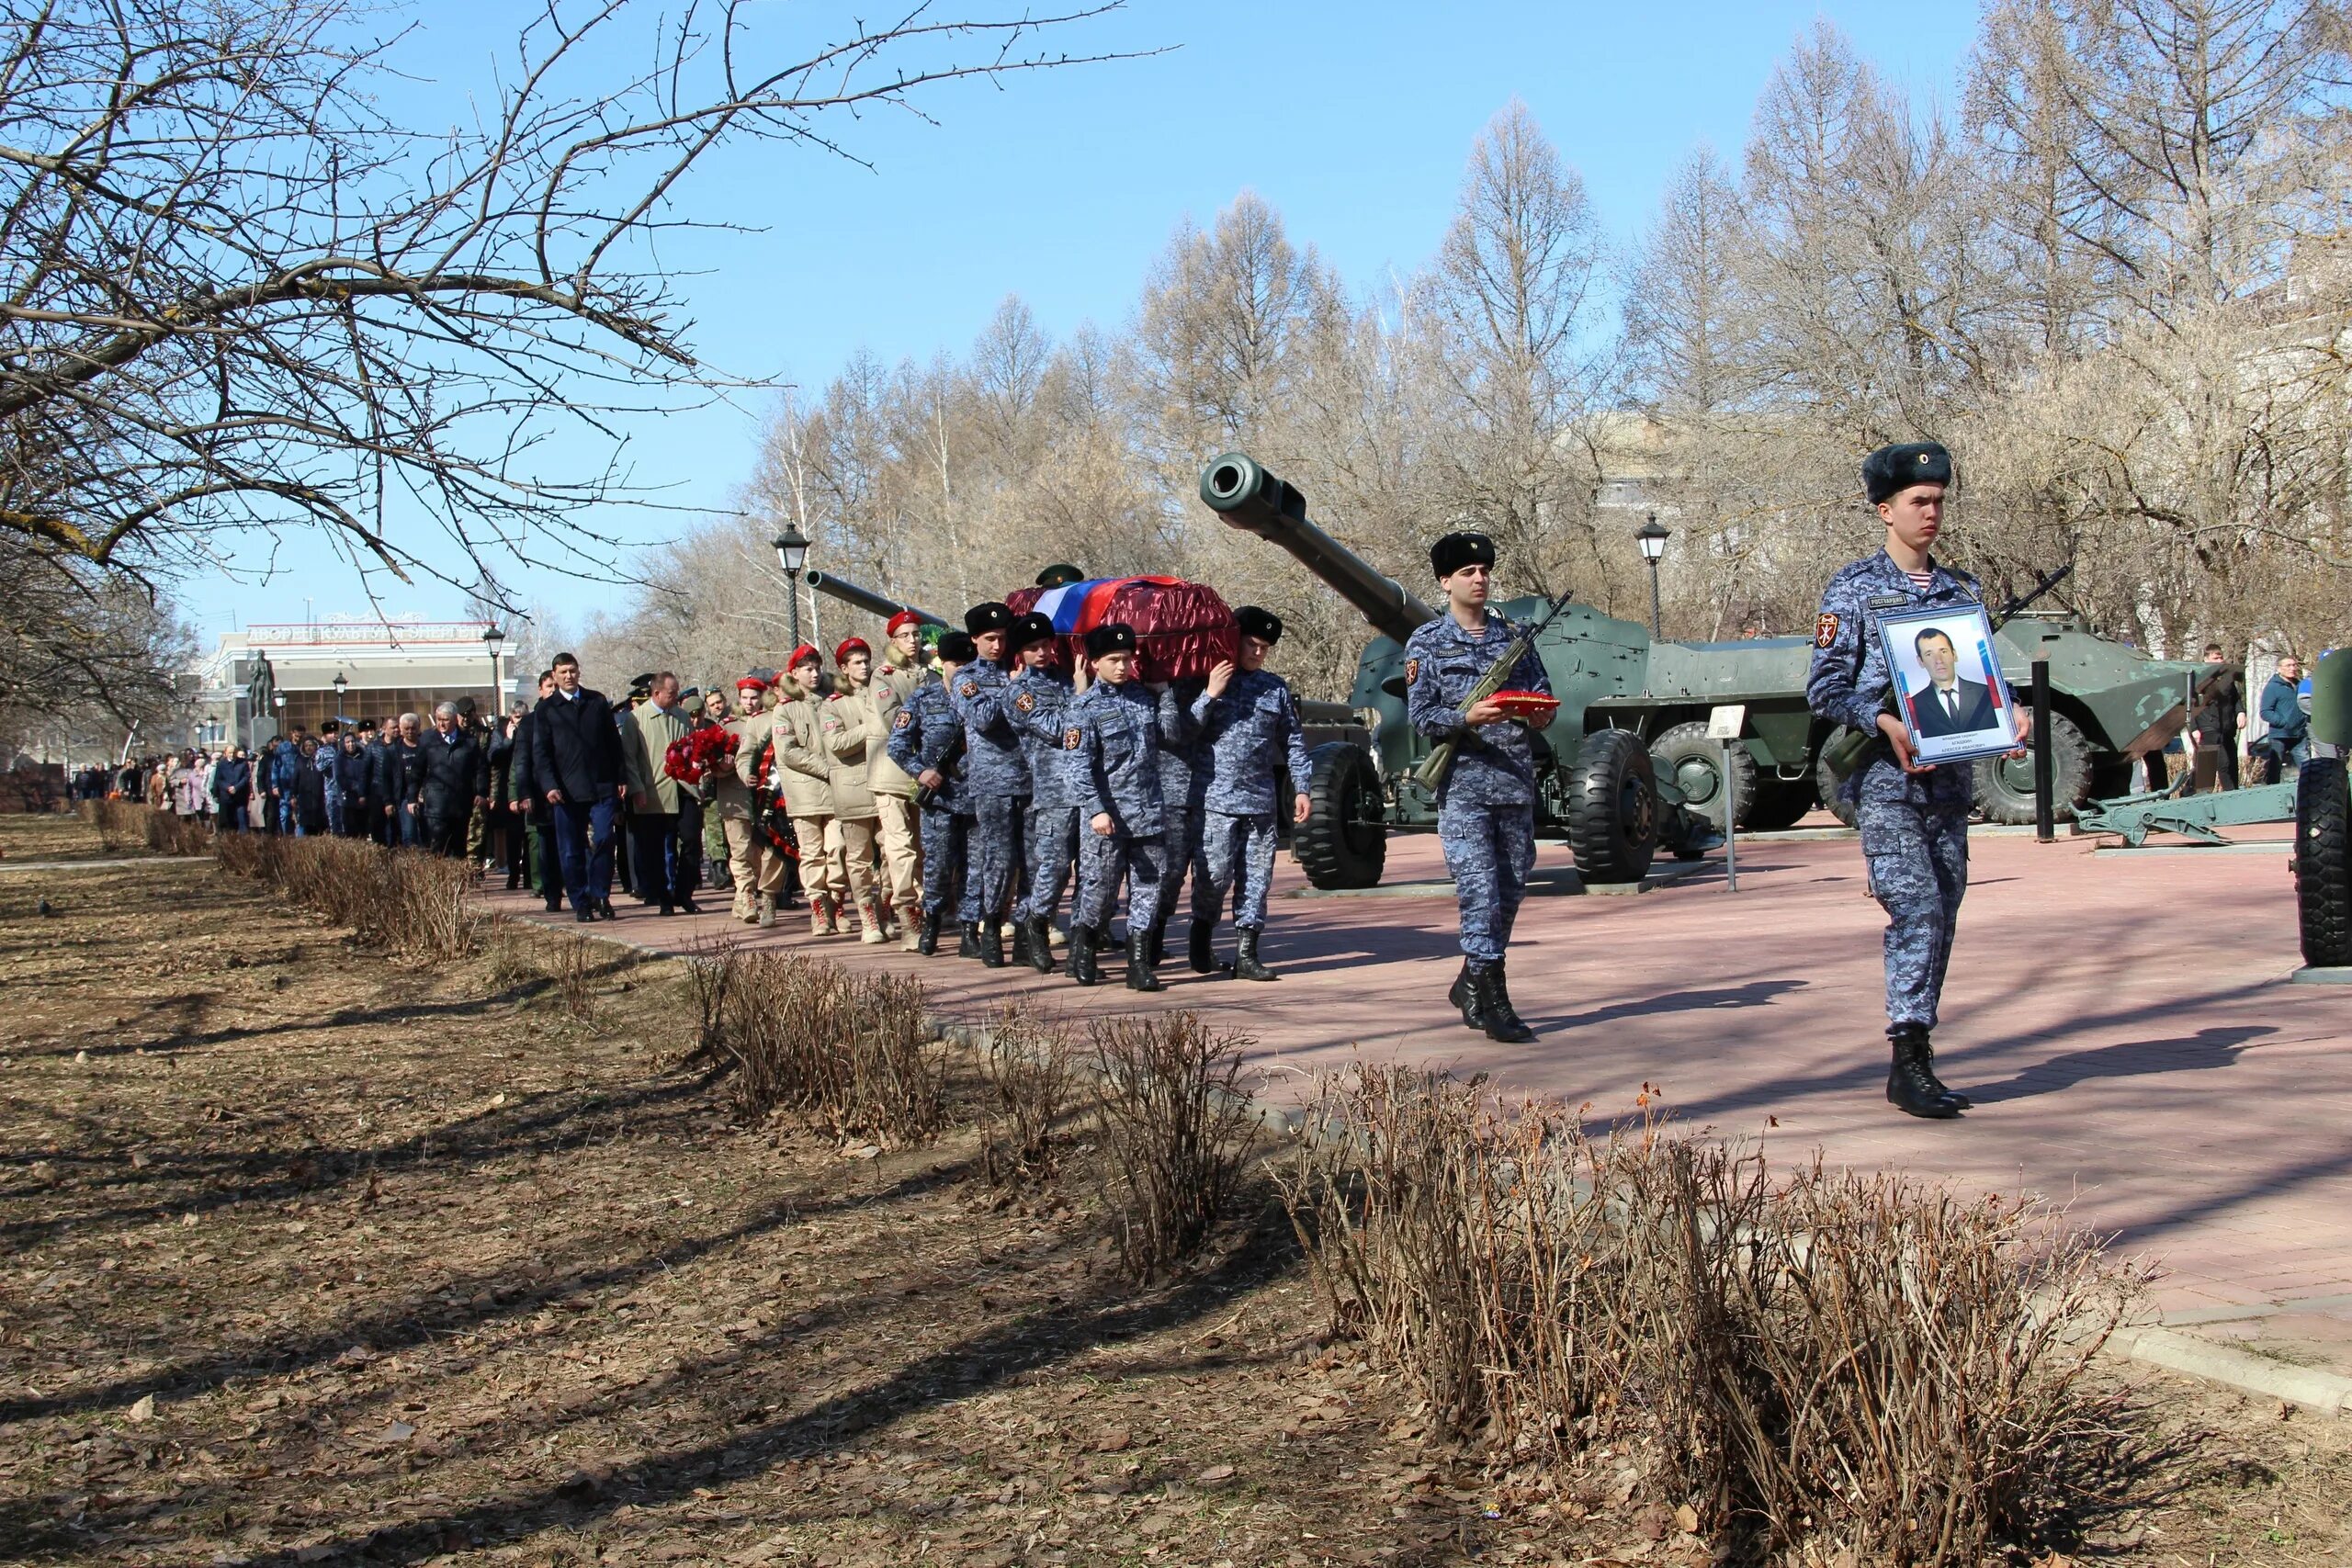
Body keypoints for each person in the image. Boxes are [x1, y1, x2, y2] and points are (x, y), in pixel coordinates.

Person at [1806, 439, 2030, 1121]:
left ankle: (1920, 1046)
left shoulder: (1964, 590)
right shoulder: (1851, 588)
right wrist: (1880, 719)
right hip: (1884, 779)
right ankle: (1907, 1057)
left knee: (1946, 910)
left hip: (1949, 783)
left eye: (1938, 501)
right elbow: (1823, 687)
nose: (1932, 512)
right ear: (1885, 509)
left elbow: (1982, 672)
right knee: (1918, 909)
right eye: (1918, 501)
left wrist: (2011, 713)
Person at [1404, 529, 1555, 1045]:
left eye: (1485, 570)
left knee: (1510, 891)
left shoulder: (1514, 638)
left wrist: (1536, 716)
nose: (1479, 578)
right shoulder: (1425, 643)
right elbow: (1421, 716)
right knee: (1479, 893)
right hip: (1464, 788)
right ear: (1445, 581)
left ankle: (1469, 981)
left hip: (1514, 783)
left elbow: (1543, 697)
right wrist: (1466, 716)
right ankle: (1496, 1001)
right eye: (1468, 571)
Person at [1190, 606, 1314, 981]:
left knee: (1257, 879)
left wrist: (1302, 787)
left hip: (1259, 800)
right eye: (1252, 644)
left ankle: (1247, 953)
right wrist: (1210, 694)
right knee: (1214, 877)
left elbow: (1292, 741)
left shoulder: (1274, 688)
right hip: (1216, 801)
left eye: (1265, 648)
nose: (1258, 653)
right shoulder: (1208, 679)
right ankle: (1201, 936)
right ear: (1235, 640)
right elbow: (1184, 730)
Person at [1063, 622, 1169, 992]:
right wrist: (1095, 810)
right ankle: (1084, 948)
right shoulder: (1083, 709)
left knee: (1148, 889)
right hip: (1107, 818)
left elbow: (1170, 734)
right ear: (1094, 664)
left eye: (1127, 659)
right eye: (1113, 660)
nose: (1122, 666)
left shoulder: (1143, 699)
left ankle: (1137, 964)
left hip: (1149, 813)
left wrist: (1165, 693)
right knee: (1100, 891)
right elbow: (1076, 766)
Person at [949, 602, 1030, 967]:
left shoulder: (1021, 672)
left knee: (1033, 860)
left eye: (1002, 639)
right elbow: (982, 718)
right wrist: (1011, 690)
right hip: (992, 783)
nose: (997, 646)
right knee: (998, 860)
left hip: (1029, 779)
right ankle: (992, 926)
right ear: (975, 640)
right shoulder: (966, 678)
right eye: (990, 639)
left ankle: (1028, 931)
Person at [888, 630, 976, 955]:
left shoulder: (983, 699)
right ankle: (932, 924)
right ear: (942, 664)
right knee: (938, 868)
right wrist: (921, 771)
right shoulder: (923, 699)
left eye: (968, 662)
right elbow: (897, 744)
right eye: (955, 662)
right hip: (939, 801)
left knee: (974, 868)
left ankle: (970, 932)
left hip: (978, 798)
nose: (962, 668)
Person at [529, 652, 626, 922]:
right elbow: (542, 753)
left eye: (572, 670)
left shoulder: (596, 702)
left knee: (605, 839)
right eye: (563, 672)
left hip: (602, 786)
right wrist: (548, 786)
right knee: (571, 850)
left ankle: (601, 894)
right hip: (566, 791)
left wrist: (621, 778)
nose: (569, 676)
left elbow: (613, 744)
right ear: (554, 676)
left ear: (579, 672)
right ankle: (581, 901)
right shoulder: (547, 710)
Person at [1007, 611, 1078, 973]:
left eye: (1046, 645)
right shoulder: (1019, 692)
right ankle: (1034, 923)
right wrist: (1082, 698)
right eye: (1033, 648)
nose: (1042, 653)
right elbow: (1053, 729)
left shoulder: (1068, 680)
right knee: (1054, 869)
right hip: (1052, 792)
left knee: (1093, 871)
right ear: (1020, 653)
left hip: (1086, 788)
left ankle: (1084, 941)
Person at [815, 639, 894, 943]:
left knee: (892, 851)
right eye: (856, 662)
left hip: (885, 783)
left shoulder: (881, 692)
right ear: (844, 669)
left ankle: (884, 905)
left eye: (866, 660)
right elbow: (836, 744)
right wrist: (872, 727)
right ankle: (867, 916)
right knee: (859, 859)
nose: (863, 666)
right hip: (853, 790)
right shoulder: (832, 704)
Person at [768, 645, 846, 936]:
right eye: (807, 669)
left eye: (817, 668)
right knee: (812, 854)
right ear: (794, 673)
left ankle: (836, 901)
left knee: (838, 848)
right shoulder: (785, 709)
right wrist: (826, 768)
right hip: (806, 793)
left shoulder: (834, 700)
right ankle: (818, 908)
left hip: (838, 791)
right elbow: (788, 752)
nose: (814, 674)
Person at [617, 672, 701, 916]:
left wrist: (698, 781)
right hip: (652, 792)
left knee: (691, 841)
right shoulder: (636, 719)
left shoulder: (682, 716)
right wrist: (636, 788)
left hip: (683, 788)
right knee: (653, 850)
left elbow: (692, 749)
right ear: (656, 694)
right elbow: (629, 758)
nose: (676, 697)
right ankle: (663, 897)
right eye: (671, 693)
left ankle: (684, 894)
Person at [723, 675, 786, 927]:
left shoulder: (774, 717)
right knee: (741, 849)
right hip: (736, 797)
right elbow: (736, 759)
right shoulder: (729, 726)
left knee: (767, 849)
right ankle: (747, 895)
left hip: (770, 796)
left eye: (754, 697)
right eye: (745, 698)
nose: (749, 702)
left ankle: (765, 896)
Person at [412, 701, 489, 858]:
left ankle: (458, 881)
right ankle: (438, 881)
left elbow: (480, 769)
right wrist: (412, 797)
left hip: (461, 802)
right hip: (436, 803)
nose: (441, 723)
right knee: (438, 846)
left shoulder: (469, 741)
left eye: (445, 720)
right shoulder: (428, 740)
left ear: (455, 719)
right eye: (438, 719)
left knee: (459, 846)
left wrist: (481, 792)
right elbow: (417, 771)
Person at [1905, 627, 1998, 738]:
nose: (1938, 660)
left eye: (1943, 651)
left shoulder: (1987, 692)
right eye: (1929, 654)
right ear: (1920, 661)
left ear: (1954, 654)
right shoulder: (1913, 705)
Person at [2188, 644, 2245, 792]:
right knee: (2211, 768)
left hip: (2226, 728)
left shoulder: (2227, 678)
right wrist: (2194, 728)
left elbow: (2235, 699)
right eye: (2216, 658)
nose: (2220, 660)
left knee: (2231, 765)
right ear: (2206, 659)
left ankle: (2233, 794)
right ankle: (2197, 796)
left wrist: (2241, 712)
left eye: (2221, 657)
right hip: (2208, 728)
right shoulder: (2197, 678)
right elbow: (2189, 704)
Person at [2256, 655, 2310, 784]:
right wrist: (2283, 723)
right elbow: (2265, 712)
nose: (2292, 668)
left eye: (2294, 665)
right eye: (2288, 665)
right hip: (2280, 735)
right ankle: (2271, 796)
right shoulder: (2273, 687)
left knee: (2308, 768)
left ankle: (2310, 794)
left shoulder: (2300, 685)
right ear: (2279, 669)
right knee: (2275, 769)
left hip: (2299, 734)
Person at [374, 715, 424, 848]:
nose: (410, 731)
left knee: (426, 836)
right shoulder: (392, 751)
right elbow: (386, 778)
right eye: (406, 728)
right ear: (401, 729)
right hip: (403, 798)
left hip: (425, 797)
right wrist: (388, 802)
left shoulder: (426, 747)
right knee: (409, 835)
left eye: (413, 728)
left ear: (419, 728)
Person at [879, 611, 929, 705]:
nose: (912, 640)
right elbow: (890, 714)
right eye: (904, 636)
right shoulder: (885, 677)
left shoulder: (933, 673)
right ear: (894, 642)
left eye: (916, 635)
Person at [288, 737, 331, 836]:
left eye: (311, 745)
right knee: (305, 824)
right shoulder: (300, 760)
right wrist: (292, 795)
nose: (309, 748)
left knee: (320, 824)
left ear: (316, 746)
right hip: (304, 798)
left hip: (320, 797)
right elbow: (295, 779)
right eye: (306, 746)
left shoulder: (321, 759)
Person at [211, 748, 252, 830]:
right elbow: (218, 779)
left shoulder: (243, 763)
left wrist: (236, 787)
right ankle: (229, 839)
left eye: (234, 753)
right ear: (226, 753)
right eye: (230, 753)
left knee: (242, 819)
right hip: (226, 796)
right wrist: (227, 787)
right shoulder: (221, 764)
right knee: (227, 820)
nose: (232, 755)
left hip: (240, 795)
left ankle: (243, 839)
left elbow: (246, 777)